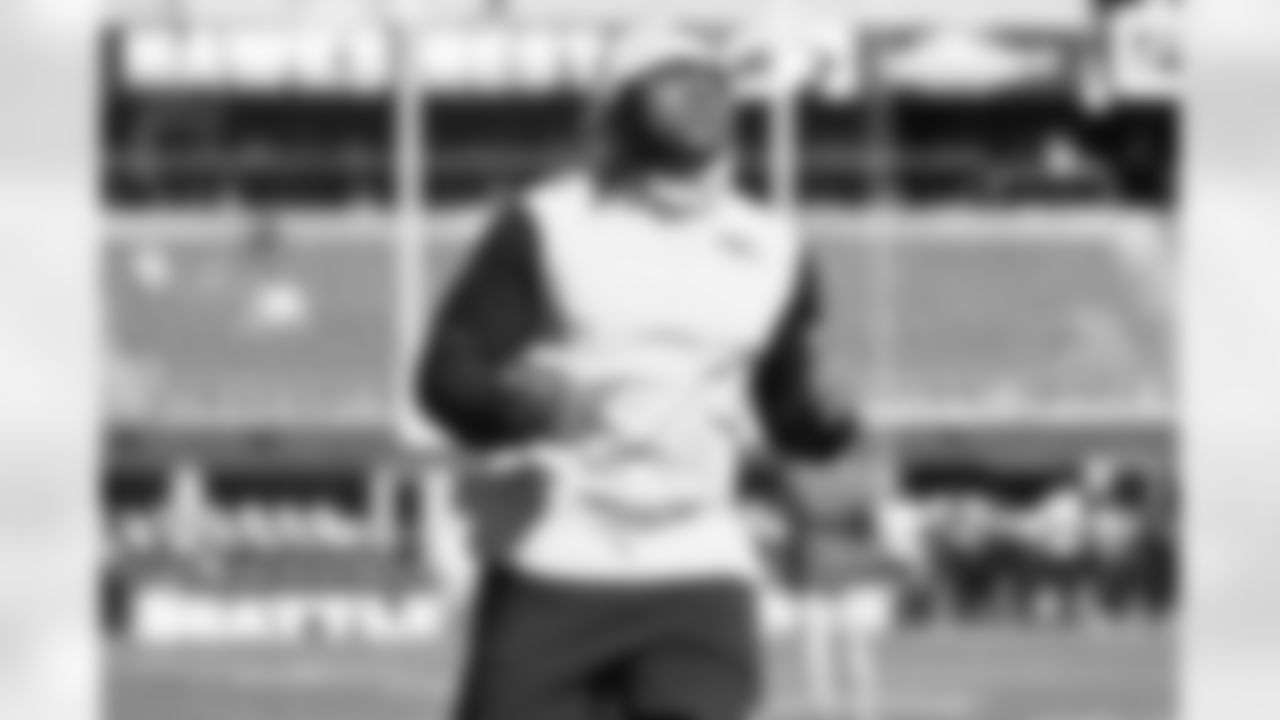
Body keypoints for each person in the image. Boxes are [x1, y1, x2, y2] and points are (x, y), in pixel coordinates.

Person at [418, 31, 855, 720]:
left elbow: (789, 411)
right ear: (617, 110)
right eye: (669, 80)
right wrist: (515, 409)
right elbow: (446, 374)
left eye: (709, 79)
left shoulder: (776, 249)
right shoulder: (546, 225)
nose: (698, 93)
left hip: (699, 565)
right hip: (555, 558)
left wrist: (827, 422)